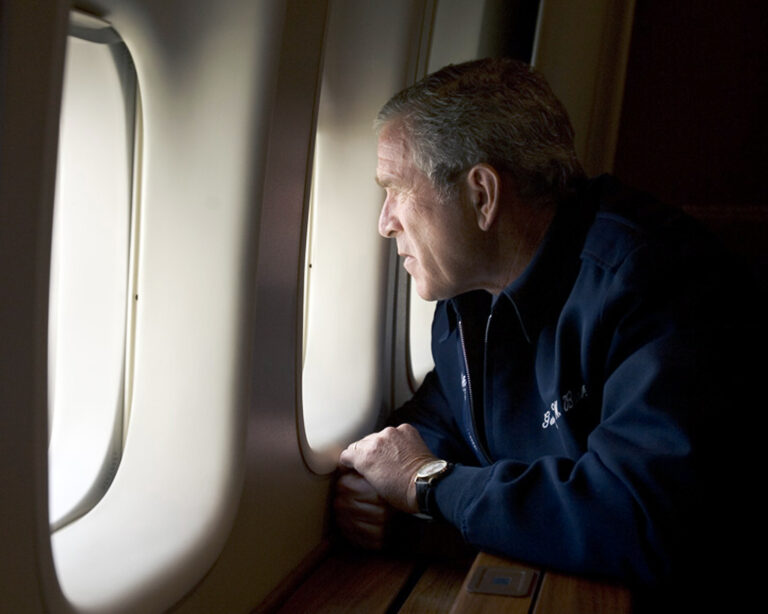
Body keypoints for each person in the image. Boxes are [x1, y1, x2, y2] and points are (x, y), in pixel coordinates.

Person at [333, 58, 760, 605]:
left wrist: (426, 484)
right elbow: (444, 416)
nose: (385, 221)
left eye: (395, 189)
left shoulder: (654, 284)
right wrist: (387, 484)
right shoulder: (470, 299)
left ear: (481, 195)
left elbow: (638, 515)